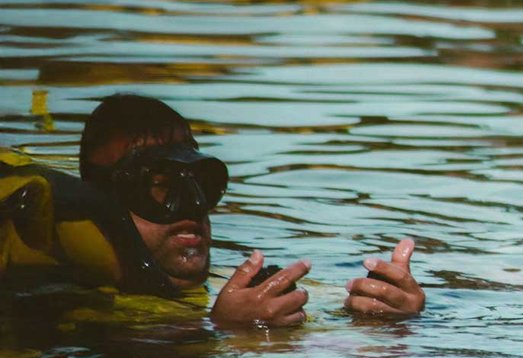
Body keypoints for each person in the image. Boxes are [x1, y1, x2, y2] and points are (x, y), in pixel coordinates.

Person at [3, 94, 424, 327]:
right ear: (102, 200)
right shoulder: (68, 304)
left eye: (200, 185)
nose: (190, 208)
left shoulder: (231, 289)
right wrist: (222, 333)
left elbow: (339, 323)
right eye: (159, 188)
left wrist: (389, 311)